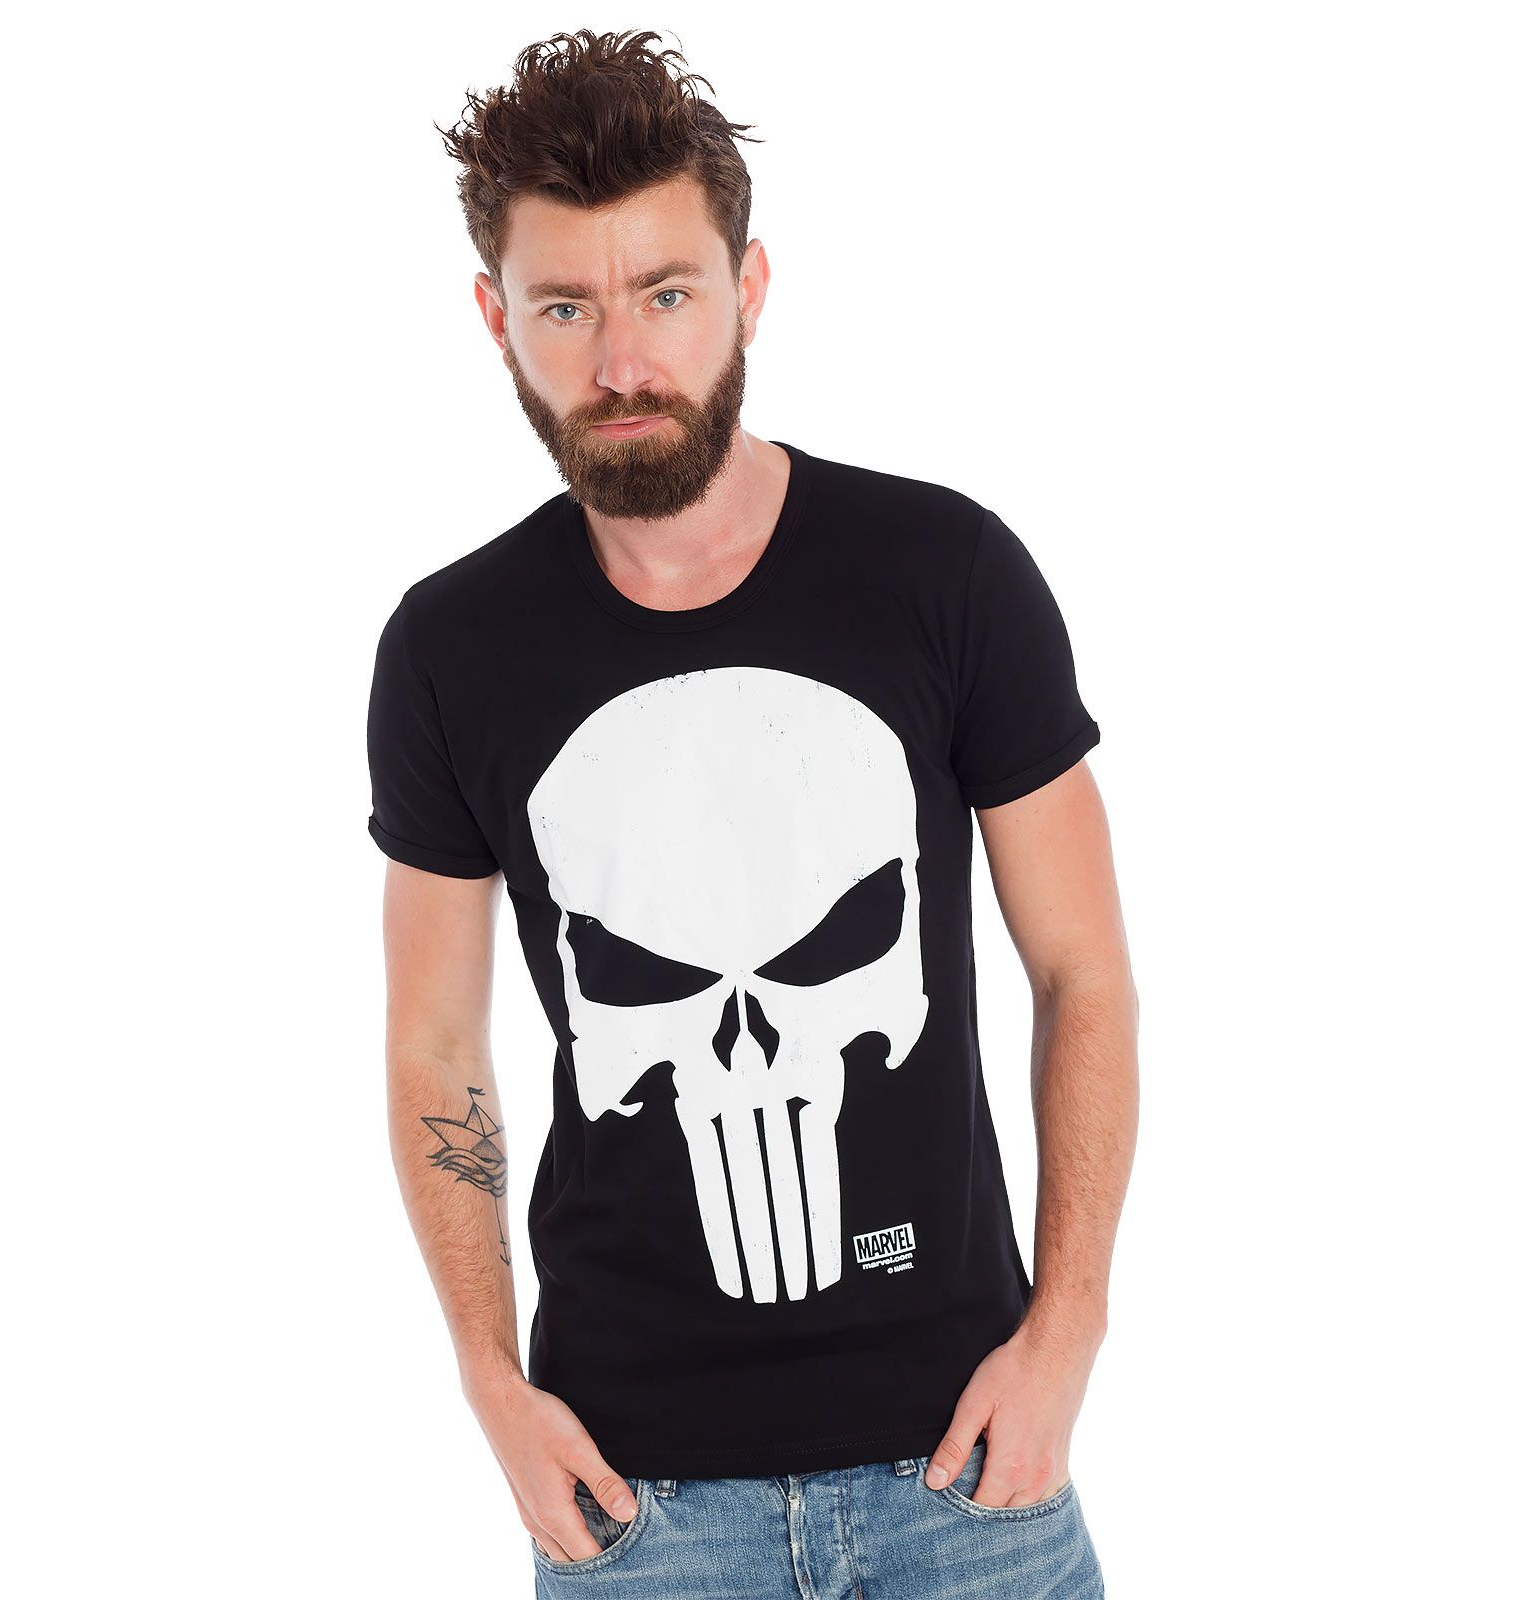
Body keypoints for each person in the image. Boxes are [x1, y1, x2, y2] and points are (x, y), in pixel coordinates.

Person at [366, 29, 1138, 1599]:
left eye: (665, 294)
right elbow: (435, 1043)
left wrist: (1067, 1333)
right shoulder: (451, 650)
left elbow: (1085, 974)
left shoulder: (946, 577)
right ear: (496, 318)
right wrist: (490, 1384)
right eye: (565, 308)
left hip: (970, 1473)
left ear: (751, 285)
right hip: (631, 1504)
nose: (621, 363)